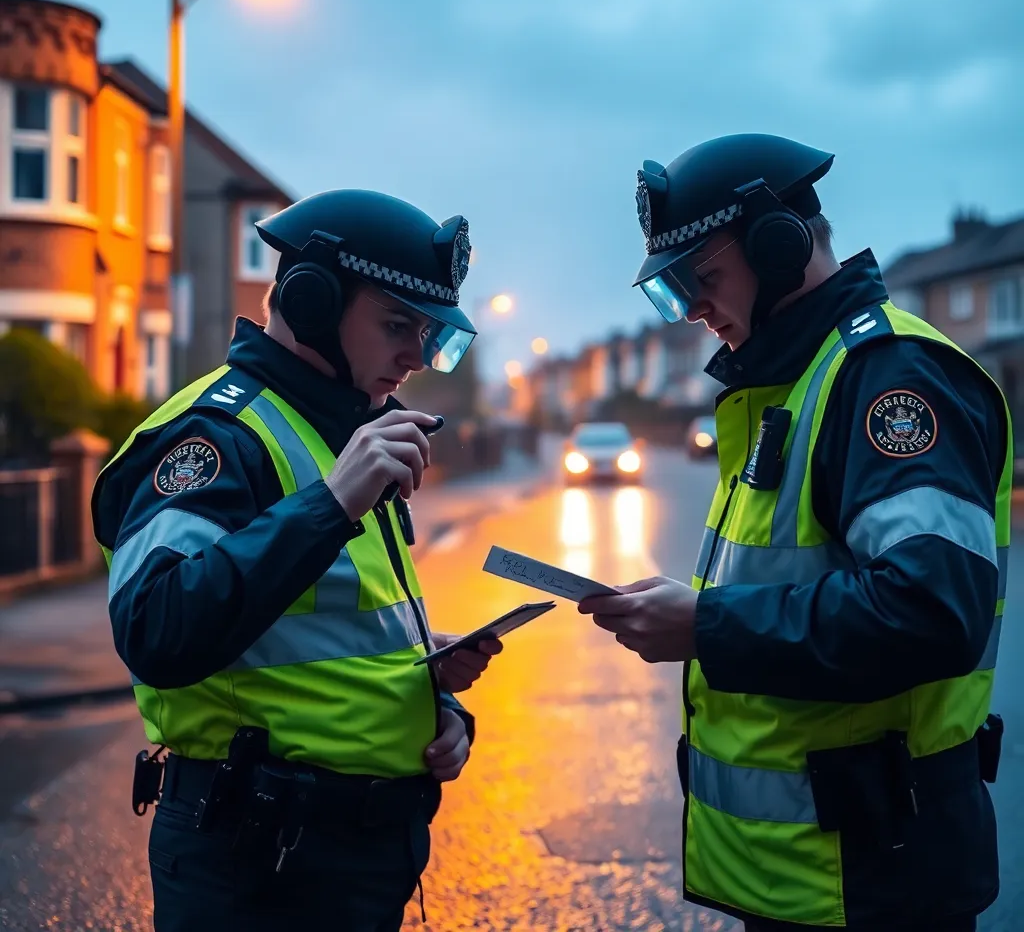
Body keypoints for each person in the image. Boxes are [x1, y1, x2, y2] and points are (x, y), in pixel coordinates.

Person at [580, 134, 1010, 932]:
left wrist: (704, 623)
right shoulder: (787, 387)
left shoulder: (890, 379)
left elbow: (931, 610)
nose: (693, 308)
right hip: (812, 877)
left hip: (875, 880)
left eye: (700, 279)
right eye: (674, 291)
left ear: (780, 247)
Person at [91, 189, 503, 932]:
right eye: (396, 325)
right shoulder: (217, 436)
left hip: (340, 858)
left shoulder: (337, 432)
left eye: (428, 332)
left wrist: (430, 694)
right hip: (258, 863)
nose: (414, 355)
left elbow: (321, 636)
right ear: (312, 304)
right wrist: (332, 504)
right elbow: (157, 628)